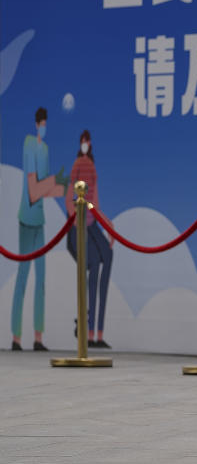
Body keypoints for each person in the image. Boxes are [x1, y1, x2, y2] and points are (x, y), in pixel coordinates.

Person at [11, 107, 66, 351]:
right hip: (27, 219)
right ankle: (15, 337)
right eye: (42, 123)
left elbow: (45, 190)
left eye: (45, 123)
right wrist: (54, 181)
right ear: (37, 124)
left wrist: (66, 188)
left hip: (40, 220)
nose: (43, 126)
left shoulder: (45, 149)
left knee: (41, 279)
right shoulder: (29, 145)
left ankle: (38, 337)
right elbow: (33, 192)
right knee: (23, 278)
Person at [65, 130, 115, 348]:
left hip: (93, 223)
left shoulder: (92, 167)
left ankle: (98, 331)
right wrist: (74, 219)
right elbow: (69, 198)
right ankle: (86, 327)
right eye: (83, 142)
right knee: (94, 264)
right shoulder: (77, 164)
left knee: (109, 256)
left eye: (88, 142)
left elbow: (96, 201)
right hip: (77, 224)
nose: (86, 145)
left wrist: (108, 226)